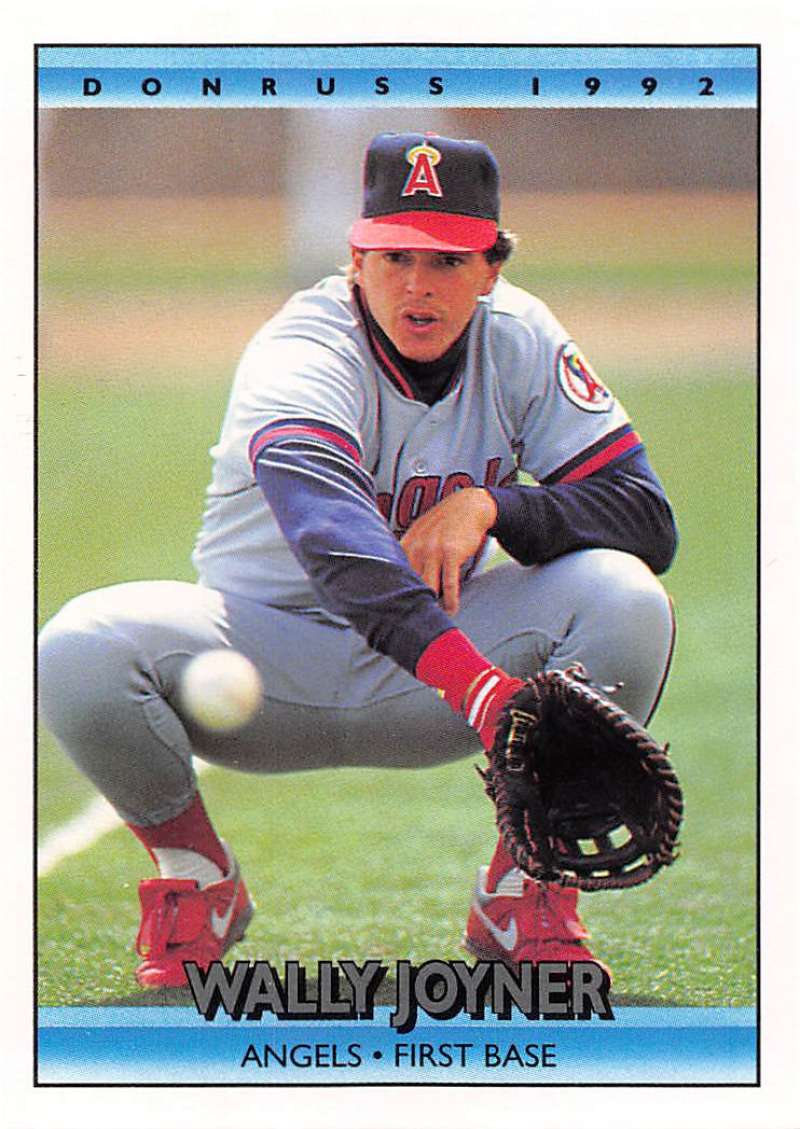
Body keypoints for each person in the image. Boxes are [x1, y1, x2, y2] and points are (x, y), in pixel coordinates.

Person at [38, 132, 678, 990]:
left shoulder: (521, 338)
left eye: (448, 260)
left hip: (429, 671)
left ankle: (525, 891)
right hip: (260, 663)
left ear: (492, 268)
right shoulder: (302, 350)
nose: (418, 283)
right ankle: (197, 879)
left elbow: (646, 518)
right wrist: (485, 694)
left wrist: (498, 503)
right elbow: (340, 548)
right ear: (356, 259)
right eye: (394, 255)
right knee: (78, 645)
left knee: (625, 596)